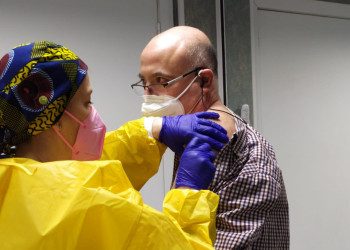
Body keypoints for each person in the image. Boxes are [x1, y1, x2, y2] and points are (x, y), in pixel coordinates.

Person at [0, 41, 230, 249]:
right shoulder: (101, 208)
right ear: (54, 119)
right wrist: (189, 192)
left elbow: (81, 173)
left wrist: (151, 130)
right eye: (87, 103)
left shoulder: (8, 182)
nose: (93, 113)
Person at [133, 26, 290, 249]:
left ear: (203, 81)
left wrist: (187, 193)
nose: (148, 97)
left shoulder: (248, 162)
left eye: (161, 81)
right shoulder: (189, 140)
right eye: (144, 83)